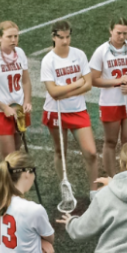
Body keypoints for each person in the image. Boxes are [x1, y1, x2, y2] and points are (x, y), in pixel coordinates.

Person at [42, 21, 99, 200]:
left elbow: (88, 84)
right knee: (60, 151)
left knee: (91, 152)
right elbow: (52, 92)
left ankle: (94, 191)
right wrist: (76, 84)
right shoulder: (48, 60)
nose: (65, 41)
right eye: (61, 37)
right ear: (53, 37)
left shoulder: (79, 54)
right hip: (55, 111)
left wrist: (65, 92)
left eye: (68, 37)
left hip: (77, 109)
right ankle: (65, 186)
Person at [90, 18, 127, 178]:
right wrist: (117, 81)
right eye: (118, 33)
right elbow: (93, 79)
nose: (122, 37)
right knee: (110, 141)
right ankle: (112, 177)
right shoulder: (101, 51)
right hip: (110, 102)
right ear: (111, 31)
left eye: (125, 33)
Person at [0, 20, 33, 159]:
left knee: (16, 153)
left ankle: (12, 181)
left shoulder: (20, 53)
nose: (13, 40)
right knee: (9, 158)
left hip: (19, 111)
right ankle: (7, 181)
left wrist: (27, 101)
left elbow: (26, 81)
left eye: (16, 36)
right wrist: (3, 107)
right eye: (9, 37)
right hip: (0, 113)